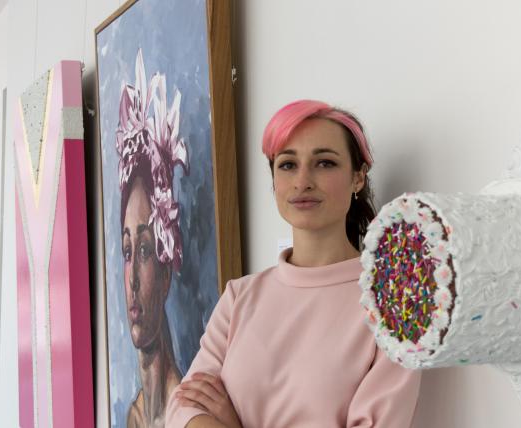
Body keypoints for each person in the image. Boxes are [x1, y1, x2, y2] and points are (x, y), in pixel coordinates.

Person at [166, 100, 422, 427]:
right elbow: (183, 408)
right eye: (288, 165)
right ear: (273, 179)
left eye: (325, 163)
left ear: (358, 177)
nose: (303, 181)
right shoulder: (239, 297)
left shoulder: (394, 306)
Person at [117, 49, 190, 428]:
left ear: (165, 276)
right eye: (127, 251)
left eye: (145, 250)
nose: (131, 280)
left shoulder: (184, 411)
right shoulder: (135, 415)